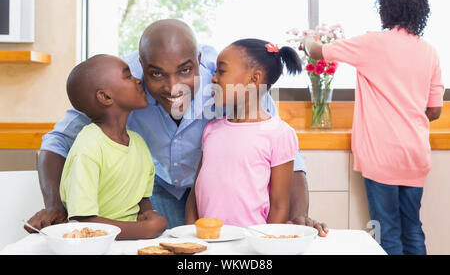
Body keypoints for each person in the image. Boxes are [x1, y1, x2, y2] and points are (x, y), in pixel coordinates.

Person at [26, 19, 328, 235]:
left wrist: (297, 215)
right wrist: (54, 205)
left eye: (185, 71)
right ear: (141, 68)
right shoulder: (119, 80)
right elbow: (57, 141)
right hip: (154, 190)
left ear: (199, 61)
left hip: (217, 198)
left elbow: (288, 160)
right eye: (156, 75)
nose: (174, 88)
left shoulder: (230, 80)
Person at [302, 0, 444, 254]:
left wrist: (308, 39)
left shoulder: (372, 44)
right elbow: (435, 110)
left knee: (387, 230)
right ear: (419, 10)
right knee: (413, 228)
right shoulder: (430, 52)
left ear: (385, 9)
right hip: (415, 153)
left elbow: (319, 52)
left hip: (382, 153)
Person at [185, 39, 301, 227]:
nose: (214, 79)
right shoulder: (211, 130)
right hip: (209, 242)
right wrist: (191, 236)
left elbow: (279, 206)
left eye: (221, 71)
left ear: (254, 79)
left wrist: (266, 245)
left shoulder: (279, 134)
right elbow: (195, 194)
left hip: (251, 245)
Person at [59, 54, 167, 240]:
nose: (138, 80)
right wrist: (146, 230)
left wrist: (152, 215)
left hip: (132, 245)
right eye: (128, 76)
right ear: (106, 96)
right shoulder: (88, 145)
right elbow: (84, 222)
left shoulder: (139, 143)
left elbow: (143, 201)